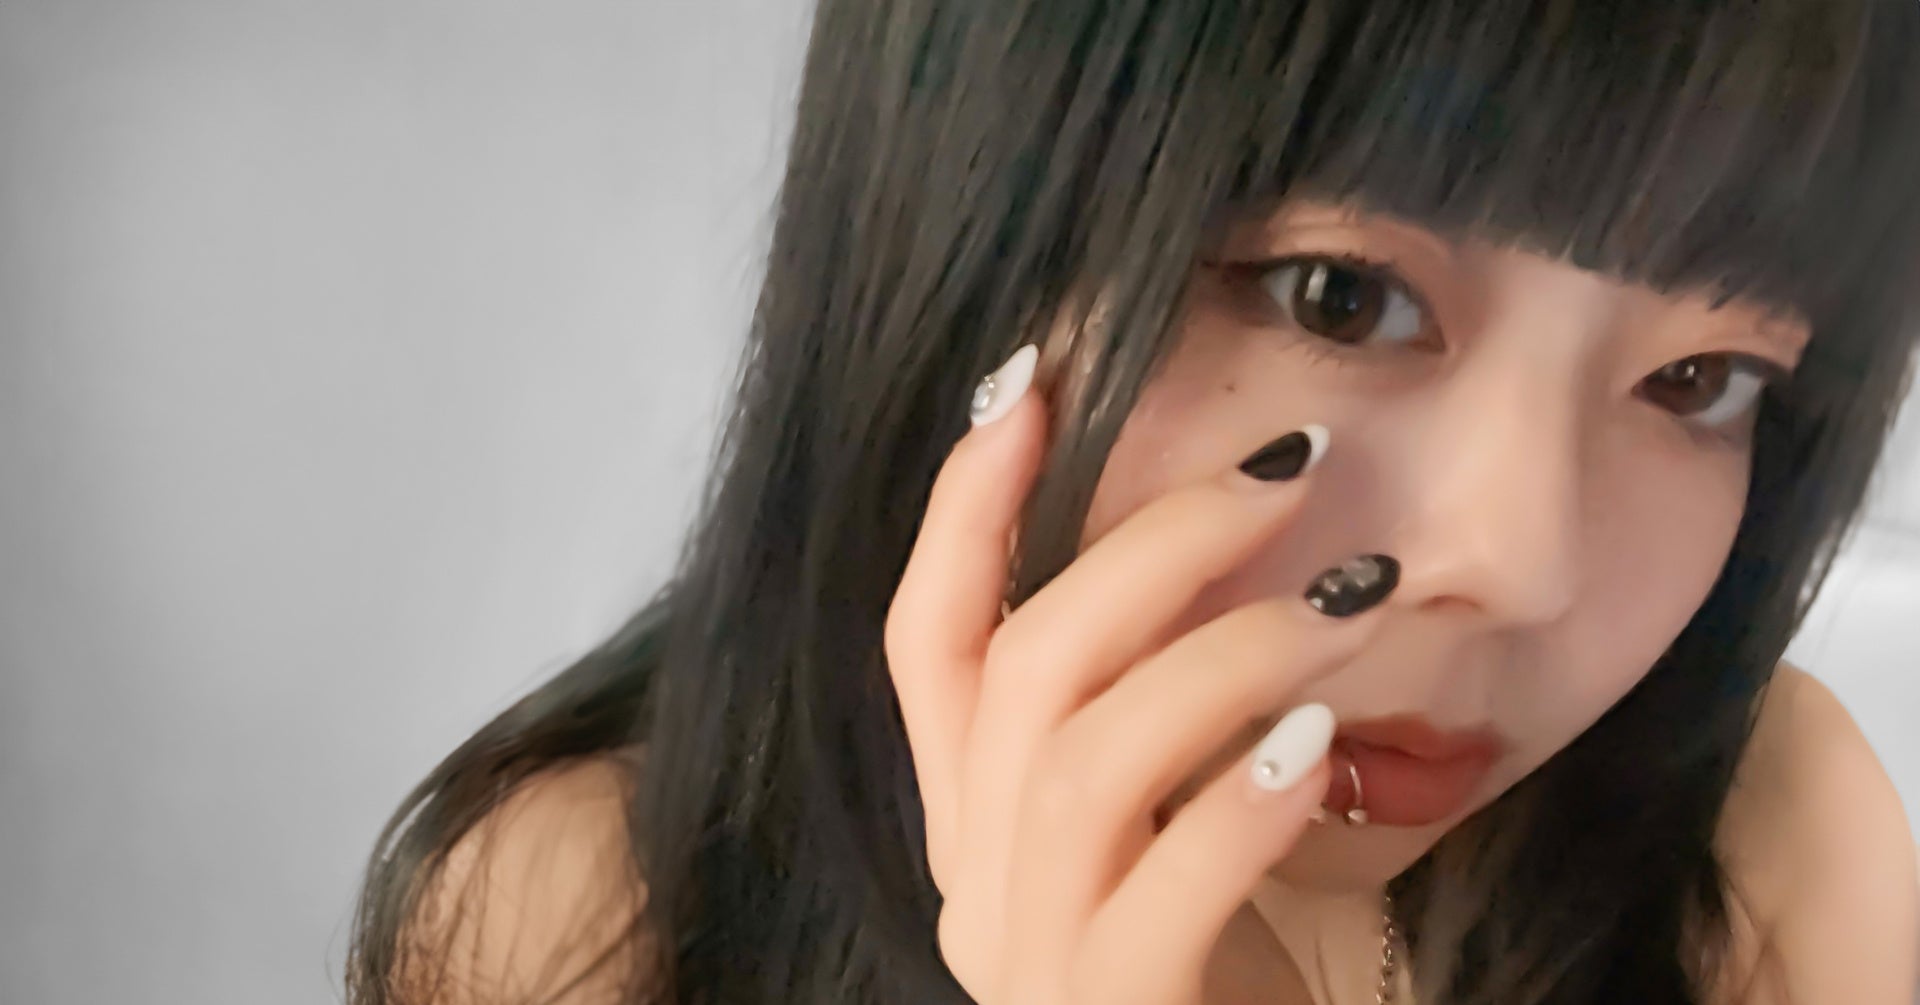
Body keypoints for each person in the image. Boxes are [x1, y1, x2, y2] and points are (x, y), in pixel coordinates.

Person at [345, 1, 1920, 1002]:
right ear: (960, 249)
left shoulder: (1767, 839)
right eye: (1339, 296)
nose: (1525, 561)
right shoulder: (596, 910)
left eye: (1702, 379)